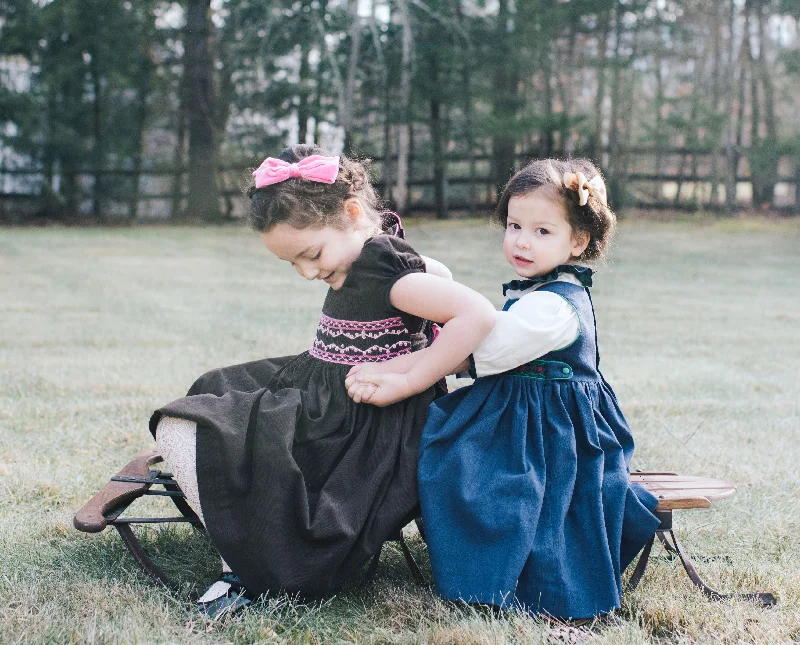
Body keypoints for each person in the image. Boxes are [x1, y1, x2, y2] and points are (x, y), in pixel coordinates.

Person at [149, 144, 496, 618]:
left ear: (353, 213)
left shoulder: (384, 271)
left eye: (310, 254)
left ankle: (248, 564)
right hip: (324, 379)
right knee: (213, 388)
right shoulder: (374, 248)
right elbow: (437, 275)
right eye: (292, 263)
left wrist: (412, 377)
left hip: (363, 416)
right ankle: (238, 520)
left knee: (193, 425)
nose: (307, 272)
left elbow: (475, 313)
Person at [346, 158, 661, 619]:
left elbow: (478, 348)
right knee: (450, 448)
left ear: (579, 240)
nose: (521, 241)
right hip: (521, 409)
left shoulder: (556, 308)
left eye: (542, 232)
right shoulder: (538, 289)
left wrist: (395, 366)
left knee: (481, 475)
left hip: (558, 429)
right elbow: (473, 336)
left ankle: (496, 576)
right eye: (514, 225)